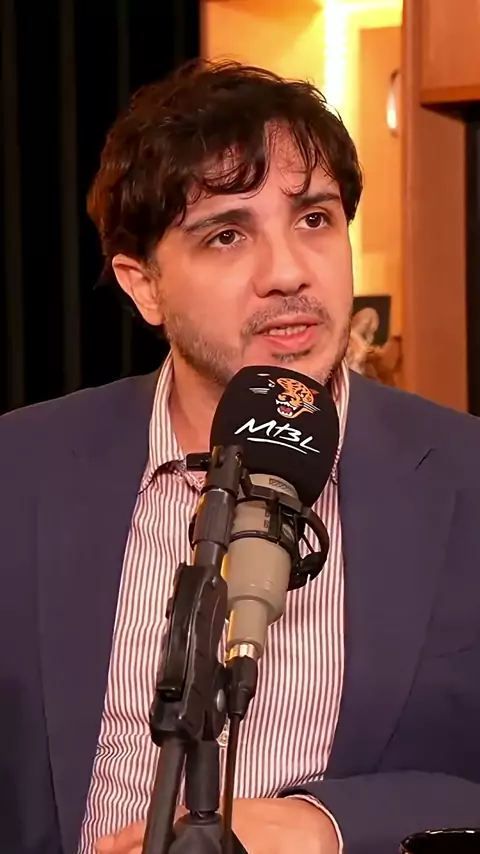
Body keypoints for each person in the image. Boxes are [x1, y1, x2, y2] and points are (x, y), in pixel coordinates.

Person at [1, 60, 480, 854]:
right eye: (227, 235)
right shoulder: (20, 471)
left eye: (314, 219)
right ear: (143, 286)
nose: (288, 272)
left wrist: (326, 825)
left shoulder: (466, 476)